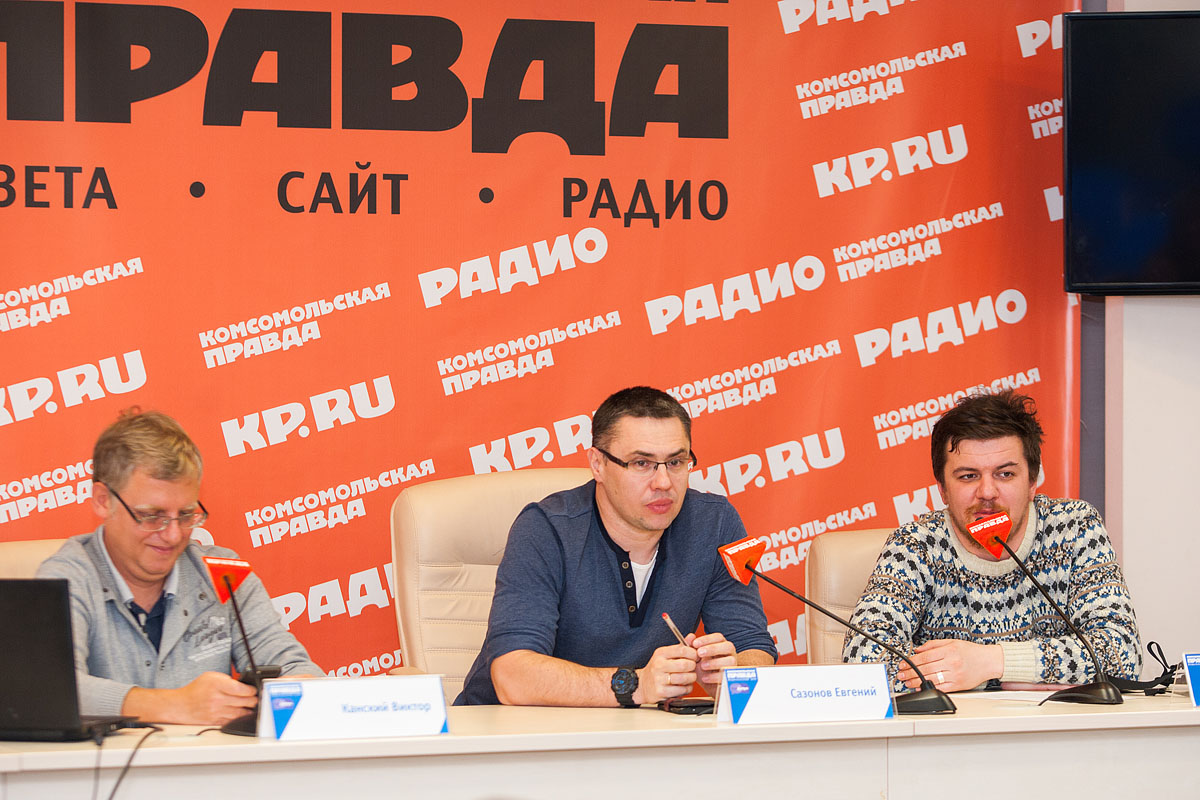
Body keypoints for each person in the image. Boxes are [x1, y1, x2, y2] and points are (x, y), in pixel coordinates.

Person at [457, 386, 777, 706]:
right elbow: (513, 677)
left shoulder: (715, 524)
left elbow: (751, 644)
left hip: (634, 731)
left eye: (676, 462)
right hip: (508, 731)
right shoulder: (545, 529)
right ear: (598, 464)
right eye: (641, 463)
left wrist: (732, 680)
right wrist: (636, 685)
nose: (663, 482)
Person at [843, 390, 1142, 693]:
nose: (987, 492)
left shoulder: (1073, 527)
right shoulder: (916, 545)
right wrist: (1006, 678)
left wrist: (990, 662)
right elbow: (862, 663)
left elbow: (1122, 654)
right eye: (968, 476)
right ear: (943, 489)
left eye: (1005, 474)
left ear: (1032, 482)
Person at [37, 409, 321, 725]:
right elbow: (47, 690)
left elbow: (296, 668)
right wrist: (174, 705)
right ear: (103, 500)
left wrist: (296, 690)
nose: (173, 535)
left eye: (186, 515)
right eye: (151, 515)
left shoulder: (223, 570)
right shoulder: (64, 578)